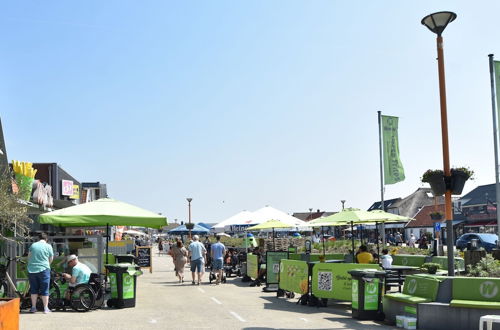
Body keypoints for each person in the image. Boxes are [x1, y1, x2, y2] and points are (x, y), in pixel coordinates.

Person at [27, 232, 54, 313]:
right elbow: (51, 258)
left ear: (38, 239)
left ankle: (33, 307)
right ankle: (45, 308)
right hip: (44, 269)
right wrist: (47, 265)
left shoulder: (33, 245)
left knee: (33, 289)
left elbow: (29, 257)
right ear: (46, 239)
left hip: (32, 270)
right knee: (45, 289)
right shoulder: (48, 246)